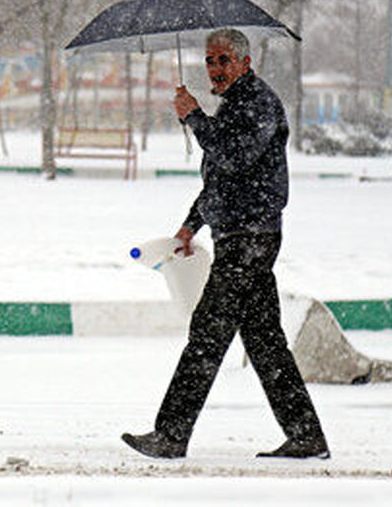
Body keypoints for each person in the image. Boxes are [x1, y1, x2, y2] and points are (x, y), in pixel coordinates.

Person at [121, 28, 328, 460]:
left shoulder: (258, 103)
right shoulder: (234, 106)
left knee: (207, 335)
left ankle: (171, 435)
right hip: (242, 235)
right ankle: (307, 436)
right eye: (210, 61)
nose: (214, 69)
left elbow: (234, 157)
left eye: (223, 61)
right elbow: (222, 178)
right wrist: (189, 226)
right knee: (264, 340)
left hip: (250, 238)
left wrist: (194, 116)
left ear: (245, 63)